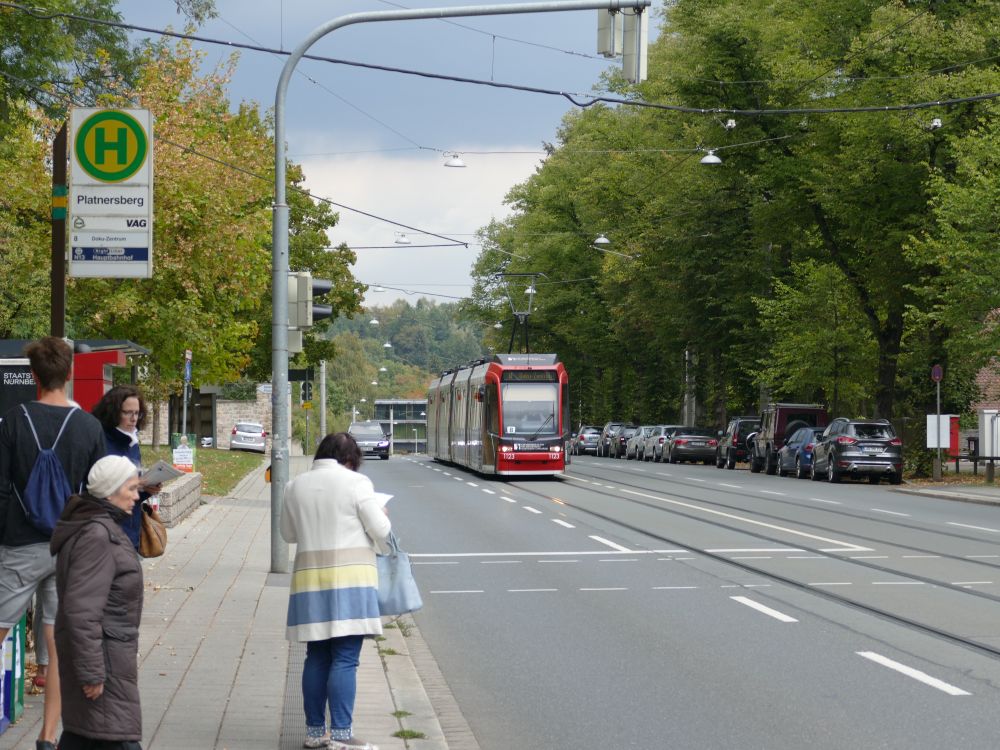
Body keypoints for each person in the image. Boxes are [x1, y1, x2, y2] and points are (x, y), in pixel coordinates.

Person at [0, 336, 106, 750]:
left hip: (20, 544)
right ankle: (47, 737)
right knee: (58, 641)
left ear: (33, 376)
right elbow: (97, 492)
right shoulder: (89, 427)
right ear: (70, 373)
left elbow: (2, 488)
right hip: (68, 547)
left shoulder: (13, 421)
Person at [281, 432, 392, 750]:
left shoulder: (294, 486)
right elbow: (381, 531)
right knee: (345, 657)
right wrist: (382, 515)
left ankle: (315, 733)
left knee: (316, 656)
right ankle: (342, 735)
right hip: (350, 580)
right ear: (350, 460)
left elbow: (288, 534)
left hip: (309, 580)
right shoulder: (357, 483)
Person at [50, 455, 144, 750]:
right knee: (112, 735)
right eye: (131, 488)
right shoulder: (97, 536)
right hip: (104, 660)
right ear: (110, 491)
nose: (136, 496)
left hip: (108, 655)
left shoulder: (100, 528)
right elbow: (81, 611)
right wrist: (92, 672)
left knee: (86, 734)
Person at [91, 386, 162, 550]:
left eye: (137, 413)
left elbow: (134, 493)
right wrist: (133, 484)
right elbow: (96, 488)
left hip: (131, 530)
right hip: (106, 531)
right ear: (113, 412)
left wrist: (146, 489)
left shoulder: (132, 441)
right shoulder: (99, 440)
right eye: (127, 413)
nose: (133, 418)